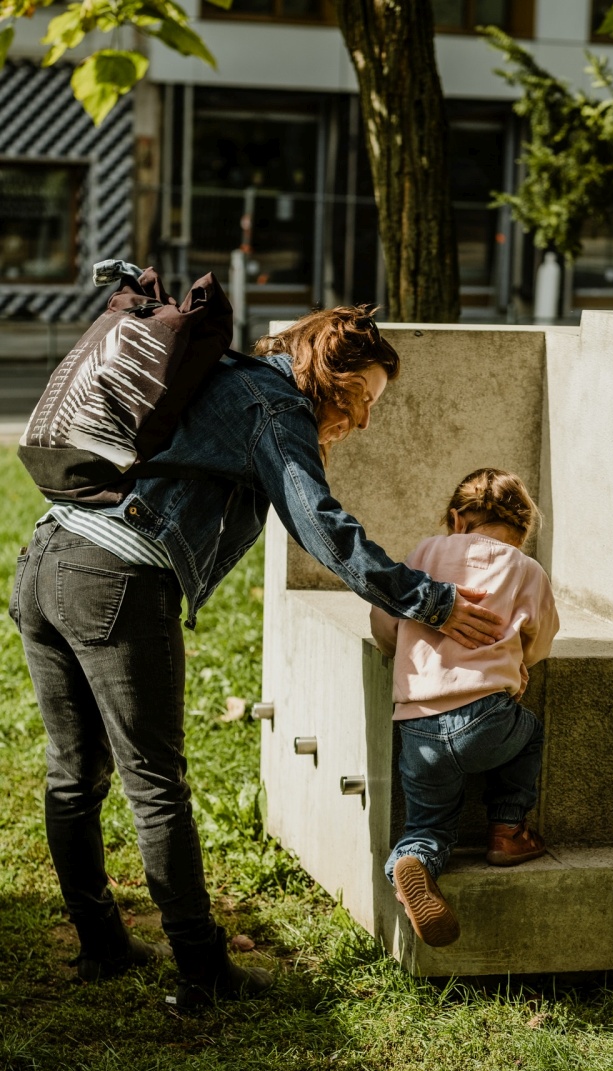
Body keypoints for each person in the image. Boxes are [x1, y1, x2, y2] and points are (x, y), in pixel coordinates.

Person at [8, 306, 504, 1008]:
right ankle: (202, 970)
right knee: (155, 784)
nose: (364, 420)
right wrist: (429, 600)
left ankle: (102, 946)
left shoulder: (225, 376)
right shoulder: (274, 405)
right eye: (362, 396)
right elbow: (322, 528)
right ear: (329, 372)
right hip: (114, 581)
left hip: (45, 561)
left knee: (73, 774)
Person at [369, 467, 560, 949]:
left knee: (428, 825)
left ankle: (414, 859)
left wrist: (398, 648)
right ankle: (507, 831)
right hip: (486, 719)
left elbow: (385, 622)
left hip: (418, 726)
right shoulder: (526, 569)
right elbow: (541, 640)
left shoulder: (425, 553)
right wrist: (518, 659)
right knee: (530, 733)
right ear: (521, 532)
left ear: (456, 519)